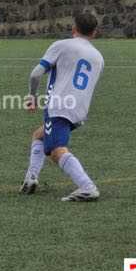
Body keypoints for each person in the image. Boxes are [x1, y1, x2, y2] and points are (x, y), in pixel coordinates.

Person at [20, 12, 104, 201]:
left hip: (59, 106)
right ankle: (31, 178)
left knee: (56, 150)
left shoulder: (62, 45)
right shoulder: (98, 57)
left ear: (74, 29)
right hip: (80, 110)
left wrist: (32, 96)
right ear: (94, 32)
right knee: (39, 135)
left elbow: (36, 74)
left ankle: (87, 186)